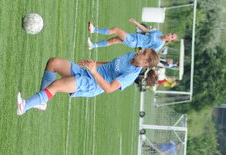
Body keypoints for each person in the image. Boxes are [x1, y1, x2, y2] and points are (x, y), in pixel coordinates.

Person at [17, 49, 160, 115]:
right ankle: (41, 102)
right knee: (53, 62)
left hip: (93, 84)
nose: (140, 51)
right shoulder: (132, 55)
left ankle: (24, 106)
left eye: (143, 53)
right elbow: (112, 64)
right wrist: (93, 64)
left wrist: (94, 72)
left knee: (56, 85)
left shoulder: (130, 75)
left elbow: (109, 88)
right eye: (143, 50)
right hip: (90, 72)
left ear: (146, 63)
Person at [87, 18, 178, 51]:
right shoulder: (158, 33)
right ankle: (92, 46)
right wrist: (135, 22)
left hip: (134, 41)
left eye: (172, 37)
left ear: (170, 40)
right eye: (171, 34)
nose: (170, 35)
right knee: (113, 40)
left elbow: (149, 52)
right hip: (134, 36)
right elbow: (146, 30)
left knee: (116, 30)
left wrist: (140, 53)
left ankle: (94, 30)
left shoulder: (159, 45)